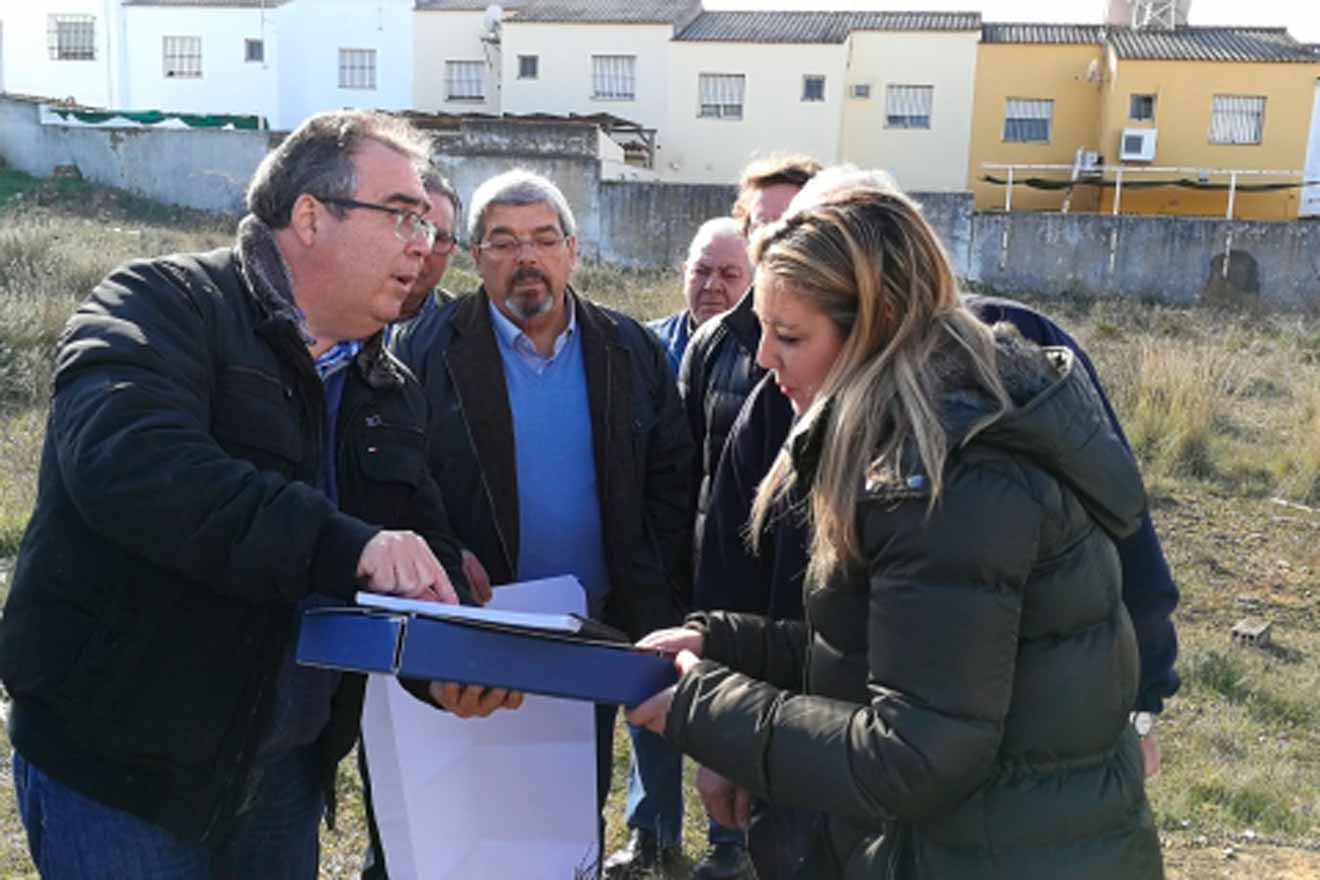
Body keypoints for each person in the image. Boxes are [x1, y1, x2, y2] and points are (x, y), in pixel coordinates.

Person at [0, 109, 518, 879]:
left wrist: (443, 661)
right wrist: (348, 546)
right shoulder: (158, 304)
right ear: (310, 216)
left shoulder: (387, 385)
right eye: (402, 215)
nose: (424, 243)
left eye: (429, 225)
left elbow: (418, 543)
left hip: (282, 772)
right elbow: (133, 467)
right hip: (122, 768)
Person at [629, 180, 1165, 878]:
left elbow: (912, 754)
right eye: (761, 330)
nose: (763, 359)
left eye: (789, 336)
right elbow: (894, 650)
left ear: (874, 331)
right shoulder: (920, 448)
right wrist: (726, 645)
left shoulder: (951, 483)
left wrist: (701, 709)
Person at [389, 168, 693, 855]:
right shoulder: (426, 351)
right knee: (460, 819)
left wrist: (649, 595)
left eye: (543, 238)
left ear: (572, 250)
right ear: (475, 257)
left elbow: (672, 481)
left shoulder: (629, 348)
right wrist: (445, 557)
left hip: (593, 630)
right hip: (477, 630)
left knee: (568, 815)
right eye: (503, 242)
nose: (525, 257)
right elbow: (402, 482)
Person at [604, 217, 753, 879]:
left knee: (730, 696)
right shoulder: (644, 347)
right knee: (648, 688)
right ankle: (651, 833)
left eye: (729, 273)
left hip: (732, 561)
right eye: (702, 270)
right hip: (657, 555)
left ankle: (731, 842)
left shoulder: (763, 351)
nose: (712, 286)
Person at [394, 165, 463, 325]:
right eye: (410, 227)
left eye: (438, 238)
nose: (424, 248)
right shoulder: (337, 314)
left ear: (452, 250)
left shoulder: (465, 327)